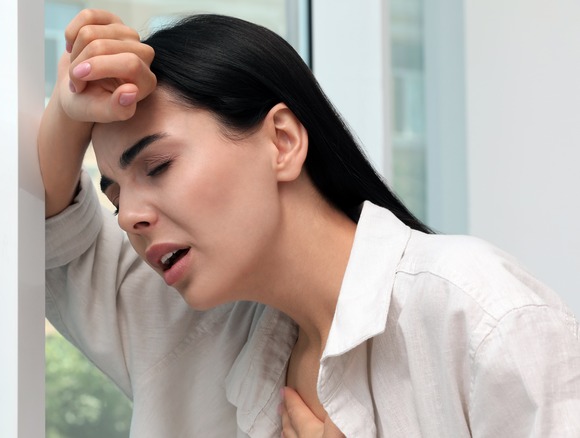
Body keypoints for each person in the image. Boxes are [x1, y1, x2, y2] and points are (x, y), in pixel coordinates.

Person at [39, 9, 580, 438]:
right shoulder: (193, 337)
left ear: (282, 142)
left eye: (157, 167)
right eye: (114, 198)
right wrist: (68, 110)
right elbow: (50, 237)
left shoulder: (477, 314)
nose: (130, 216)